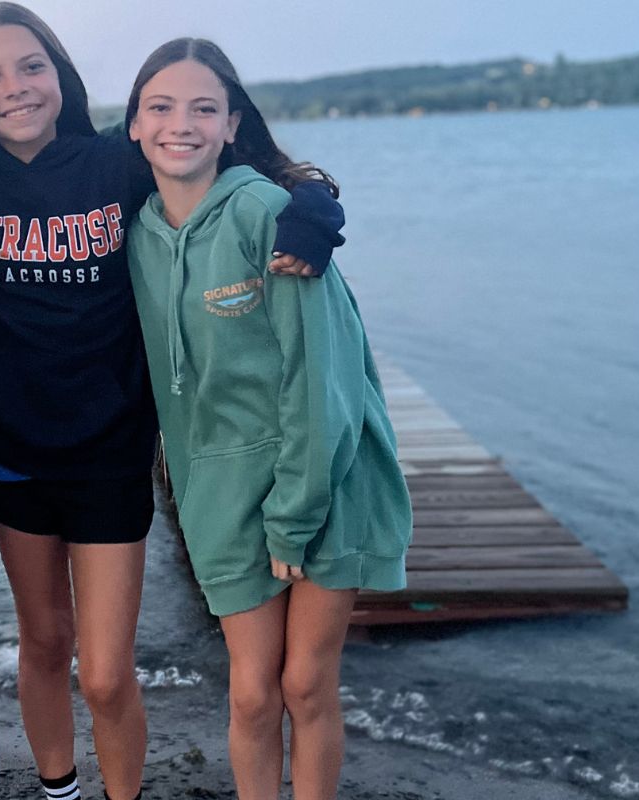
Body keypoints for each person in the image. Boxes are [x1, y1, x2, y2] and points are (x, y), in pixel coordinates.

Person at [0, 6, 347, 799]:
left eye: (31, 66)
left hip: (110, 457)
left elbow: (213, 163)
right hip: (10, 457)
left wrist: (312, 210)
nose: (15, 88)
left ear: (59, 73)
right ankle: (59, 788)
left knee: (107, 675)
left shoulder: (114, 165)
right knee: (43, 646)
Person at [123, 38, 412, 800]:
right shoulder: (135, 234)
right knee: (251, 692)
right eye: (160, 107)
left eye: (202, 108)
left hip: (322, 479)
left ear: (230, 126)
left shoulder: (272, 218)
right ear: (132, 126)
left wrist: (295, 513)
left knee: (307, 684)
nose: (179, 124)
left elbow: (322, 385)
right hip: (218, 487)